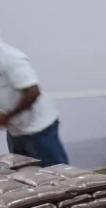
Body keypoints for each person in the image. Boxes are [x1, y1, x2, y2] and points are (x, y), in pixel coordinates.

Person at [0, 39, 68, 167]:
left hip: (38, 127)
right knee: (23, 172)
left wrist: (7, 116)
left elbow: (33, 92)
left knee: (56, 174)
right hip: (15, 128)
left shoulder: (9, 57)